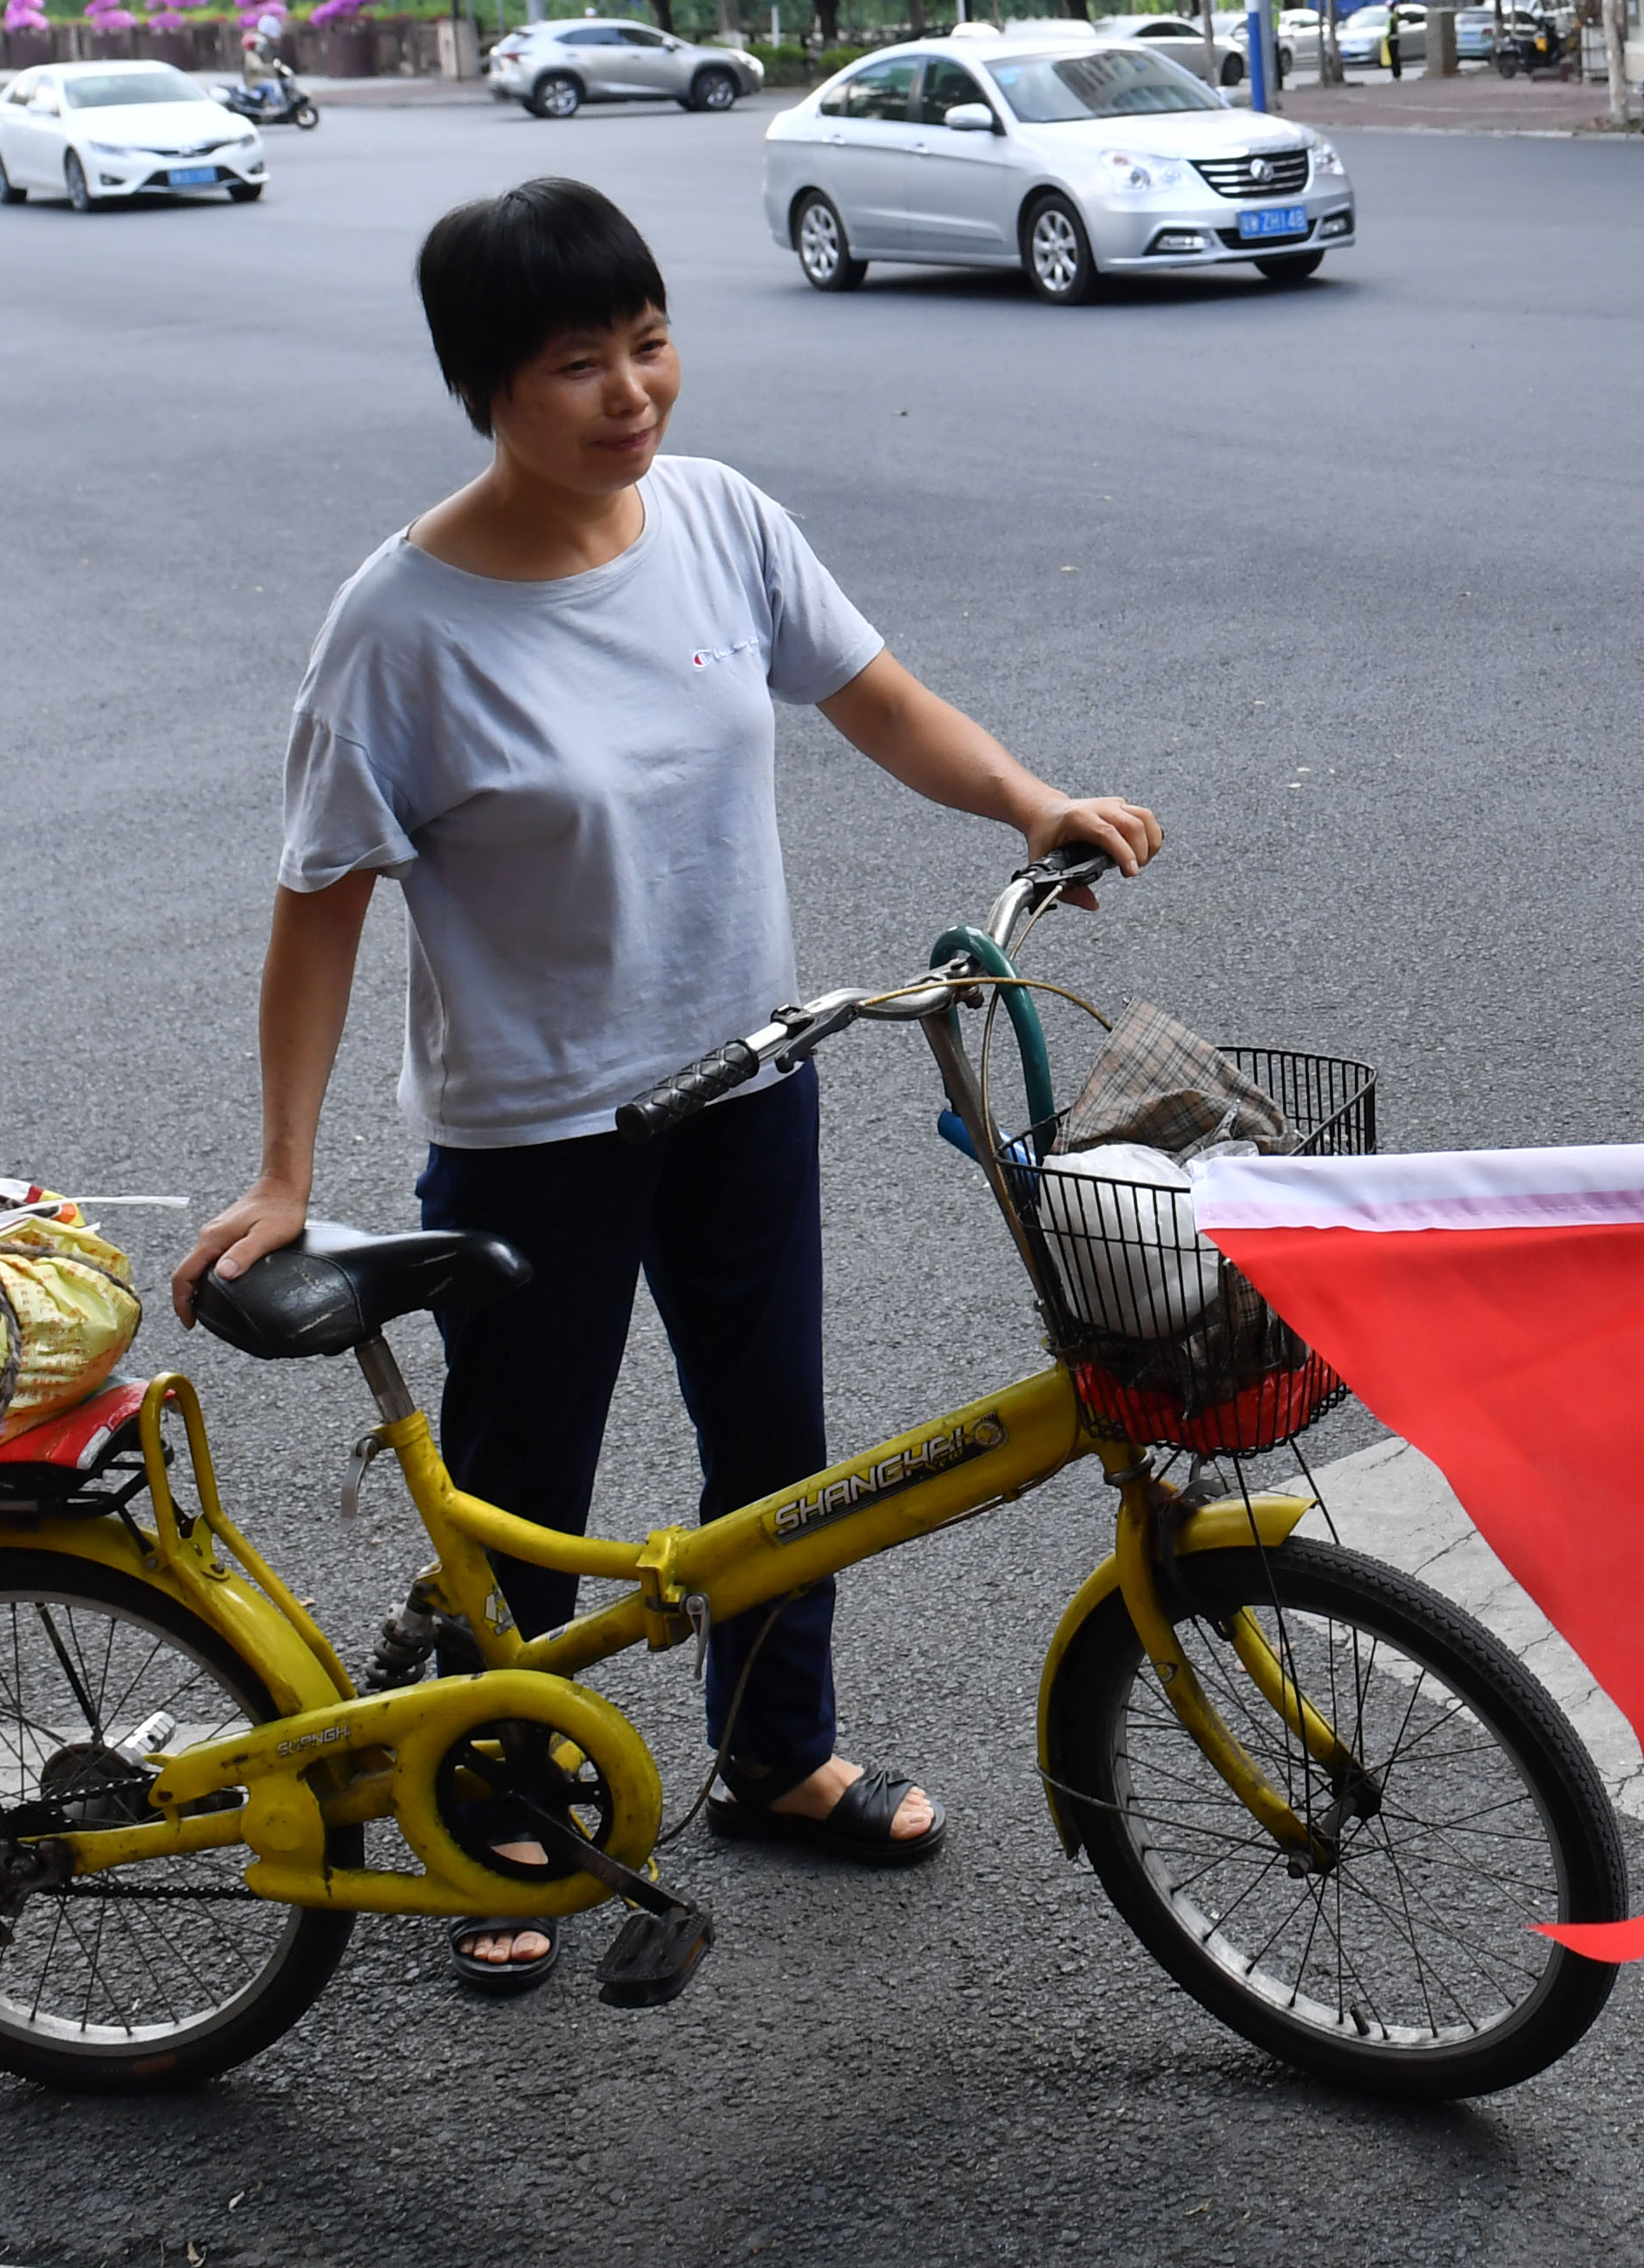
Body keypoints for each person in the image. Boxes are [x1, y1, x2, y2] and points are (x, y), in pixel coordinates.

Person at [172, 174, 1159, 1996]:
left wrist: (1027, 799)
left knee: (776, 1442)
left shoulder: (715, 522)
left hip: (747, 1077)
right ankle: (512, 1805)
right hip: (536, 1131)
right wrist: (285, 1171)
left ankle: (776, 1754)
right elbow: (316, 917)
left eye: (648, 343)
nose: (632, 393)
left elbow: (874, 697)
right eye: (576, 364)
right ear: (485, 386)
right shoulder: (397, 631)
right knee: (523, 1479)